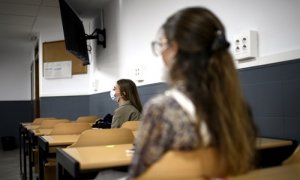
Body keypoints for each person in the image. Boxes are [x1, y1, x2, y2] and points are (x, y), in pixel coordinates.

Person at [128, 7, 257, 179]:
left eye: (162, 44)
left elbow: (138, 176)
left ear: (174, 49)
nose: (161, 54)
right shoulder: (238, 108)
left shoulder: (161, 110)